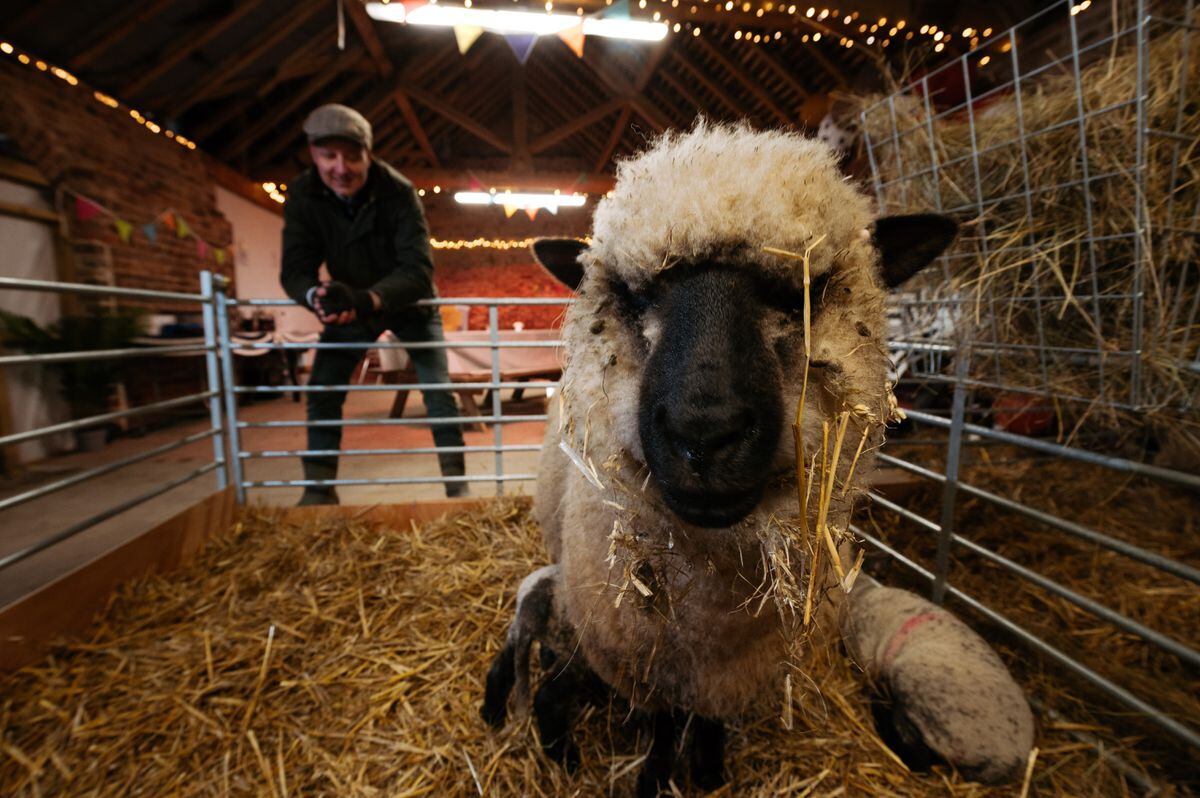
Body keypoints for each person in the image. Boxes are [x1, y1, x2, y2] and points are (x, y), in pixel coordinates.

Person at [280, 103, 467, 505]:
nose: (341, 168)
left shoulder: (398, 192)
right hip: (347, 305)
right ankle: (318, 491)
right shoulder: (303, 195)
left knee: (438, 390)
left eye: (351, 156)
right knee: (323, 388)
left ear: (369, 154)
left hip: (409, 304)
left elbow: (418, 270)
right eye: (329, 156)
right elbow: (295, 267)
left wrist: (368, 299)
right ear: (314, 155)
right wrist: (318, 297)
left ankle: (458, 489)